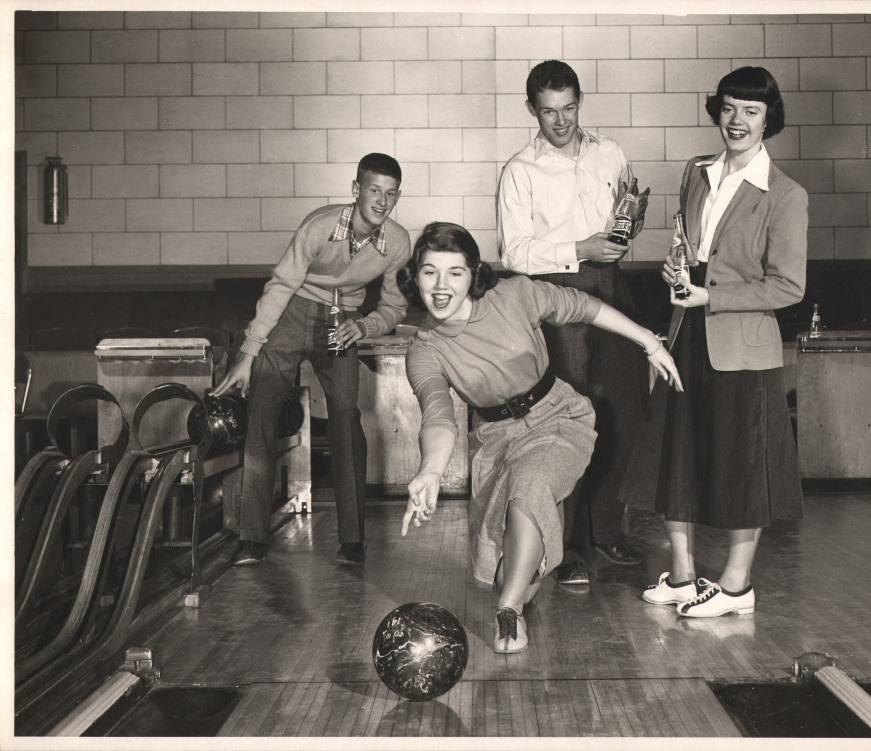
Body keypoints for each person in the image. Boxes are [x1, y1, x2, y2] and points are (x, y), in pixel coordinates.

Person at [397, 222, 681, 654]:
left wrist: (648, 341)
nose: (441, 285)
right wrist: (431, 470)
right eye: (429, 271)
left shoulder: (514, 295)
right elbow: (438, 416)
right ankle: (517, 588)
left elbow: (582, 305)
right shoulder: (424, 348)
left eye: (455, 272)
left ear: (473, 273)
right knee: (511, 569)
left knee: (529, 489)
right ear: (414, 276)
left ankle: (507, 614)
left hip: (557, 418)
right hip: (494, 442)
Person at [641, 66, 807, 618]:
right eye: (730, 108)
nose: (737, 121)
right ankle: (685, 577)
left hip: (741, 346)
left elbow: (788, 286)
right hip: (687, 331)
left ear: (768, 120)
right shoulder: (695, 171)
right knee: (677, 454)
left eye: (751, 112)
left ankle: (736, 587)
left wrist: (711, 297)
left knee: (741, 464)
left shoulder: (785, 194)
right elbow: (689, 246)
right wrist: (676, 269)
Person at [213, 153, 411, 567]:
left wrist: (366, 327)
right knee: (261, 412)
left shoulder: (397, 242)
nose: (382, 201)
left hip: (343, 321)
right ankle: (251, 538)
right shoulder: (319, 226)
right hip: (292, 312)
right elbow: (281, 287)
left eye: (391, 194)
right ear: (356, 189)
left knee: (345, 417)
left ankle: (352, 540)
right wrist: (248, 355)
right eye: (374, 190)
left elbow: (395, 307)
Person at [497, 59, 651, 586]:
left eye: (568, 109)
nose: (560, 122)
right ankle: (567, 546)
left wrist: (625, 229)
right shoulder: (519, 170)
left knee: (624, 411)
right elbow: (514, 254)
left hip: (614, 285)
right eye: (547, 112)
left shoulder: (609, 151)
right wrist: (579, 248)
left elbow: (624, 213)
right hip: (557, 295)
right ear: (531, 110)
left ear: (579, 102)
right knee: (571, 418)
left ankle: (606, 529)